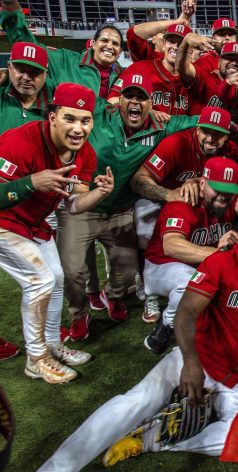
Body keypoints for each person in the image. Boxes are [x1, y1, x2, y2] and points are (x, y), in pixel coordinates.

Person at [1, 205, 238, 472]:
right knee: (132, 402)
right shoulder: (222, 262)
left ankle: (156, 439)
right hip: (199, 356)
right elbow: (186, 311)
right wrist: (190, 362)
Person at [58, 74, 198, 341]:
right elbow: (66, 94)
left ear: (151, 102)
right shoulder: (100, 112)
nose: (135, 102)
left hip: (120, 210)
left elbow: (196, 121)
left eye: (141, 97)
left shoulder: (161, 125)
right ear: (119, 99)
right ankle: (79, 315)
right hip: (82, 205)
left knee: (125, 271)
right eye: (129, 96)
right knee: (73, 269)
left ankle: (113, 295)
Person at [0, 83, 114, 384]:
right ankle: (36, 359)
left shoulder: (84, 153)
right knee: (41, 279)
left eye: (85, 120)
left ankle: (51, 344)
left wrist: (99, 193)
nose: (78, 128)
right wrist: (30, 183)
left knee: (58, 277)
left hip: (32, 224)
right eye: (70, 118)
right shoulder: (18, 142)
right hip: (3, 223)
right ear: (52, 116)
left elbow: (75, 203)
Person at [129, 106, 238, 324]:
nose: (211, 138)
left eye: (218, 134)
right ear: (197, 129)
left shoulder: (231, 152)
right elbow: (138, 180)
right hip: (164, 197)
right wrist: (169, 194)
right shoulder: (176, 144)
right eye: (206, 131)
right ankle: (148, 286)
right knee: (148, 230)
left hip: (200, 203)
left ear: (227, 137)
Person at [143, 157, 238, 355]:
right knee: (192, 282)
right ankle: (167, 323)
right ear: (203, 184)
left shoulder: (230, 204)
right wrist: (218, 254)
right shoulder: (184, 201)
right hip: (161, 266)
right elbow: (171, 246)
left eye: (229, 191)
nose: (223, 196)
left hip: (199, 265)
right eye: (217, 189)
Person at [1, 0, 124, 97]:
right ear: (93, 43)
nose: (109, 46)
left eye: (115, 43)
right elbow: (30, 47)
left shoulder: (123, 75)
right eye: (104, 40)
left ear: (119, 53)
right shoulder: (66, 61)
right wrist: (11, 9)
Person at [108, 24, 192, 115]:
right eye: (171, 41)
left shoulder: (193, 78)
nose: (175, 47)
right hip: (146, 128)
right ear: (164, 44)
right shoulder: (139, 68)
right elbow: (112, 100)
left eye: (181, 44)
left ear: (189, 50)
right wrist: (145, 113)